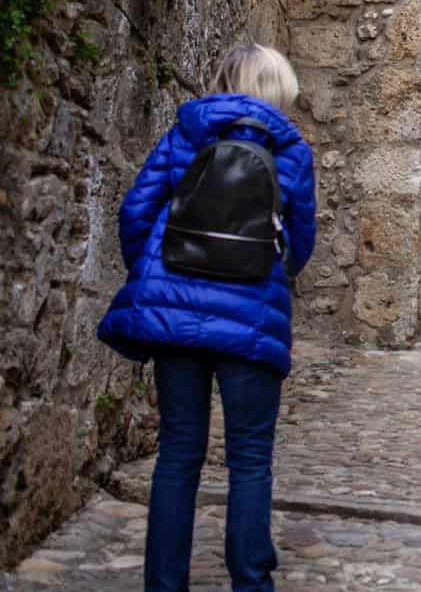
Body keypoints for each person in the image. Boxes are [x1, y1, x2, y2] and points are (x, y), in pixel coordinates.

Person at [98, 43, 316, 592]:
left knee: (178, 453)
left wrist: (158, 277)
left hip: (174, 319)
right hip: (251, 319)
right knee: (249, 459)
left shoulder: (188, 132)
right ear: (278, 90)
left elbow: (136, 211)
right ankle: (250, 582)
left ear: (223, 79)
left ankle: (164, 585)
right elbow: (301, 243)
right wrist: (269, 272)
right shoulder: (290, 149)